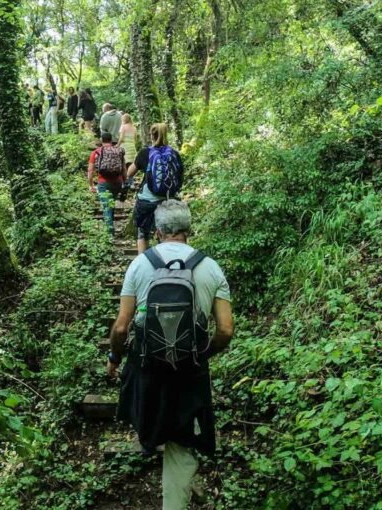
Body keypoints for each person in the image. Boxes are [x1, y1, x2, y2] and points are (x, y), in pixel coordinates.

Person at [107, 199, 234, 510]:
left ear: (158, 230)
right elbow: (226, 329)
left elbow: (122, 328)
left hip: (147, 366)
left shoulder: (139, 264)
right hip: (189, 368)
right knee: (183, 437)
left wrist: (114, 359)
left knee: (149, 416)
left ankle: (156, 444)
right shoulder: (210, 266)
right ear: (189, 230)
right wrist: (203, 353)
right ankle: (182, 480)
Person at [126, 123, 183, 254]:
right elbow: (180, 177)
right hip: (168, 200)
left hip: (146, 201)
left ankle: (143, 263)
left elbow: (129, 173)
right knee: (166, 233)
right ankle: (165, 261)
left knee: (142, 232)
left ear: (151, 135)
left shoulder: (145, 153)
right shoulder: (174, 154)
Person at [87, 132, 126, 236]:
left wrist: (91, 185)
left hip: (103, 183)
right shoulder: (118, 151)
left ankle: (109, 232)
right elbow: (124, 169)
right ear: (111, 140)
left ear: (101, 140)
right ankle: (110, 227)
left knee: (106, 206)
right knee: (111, 204)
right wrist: (124, 182)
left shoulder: (96, 152)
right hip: (117, 182)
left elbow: (90, 171)